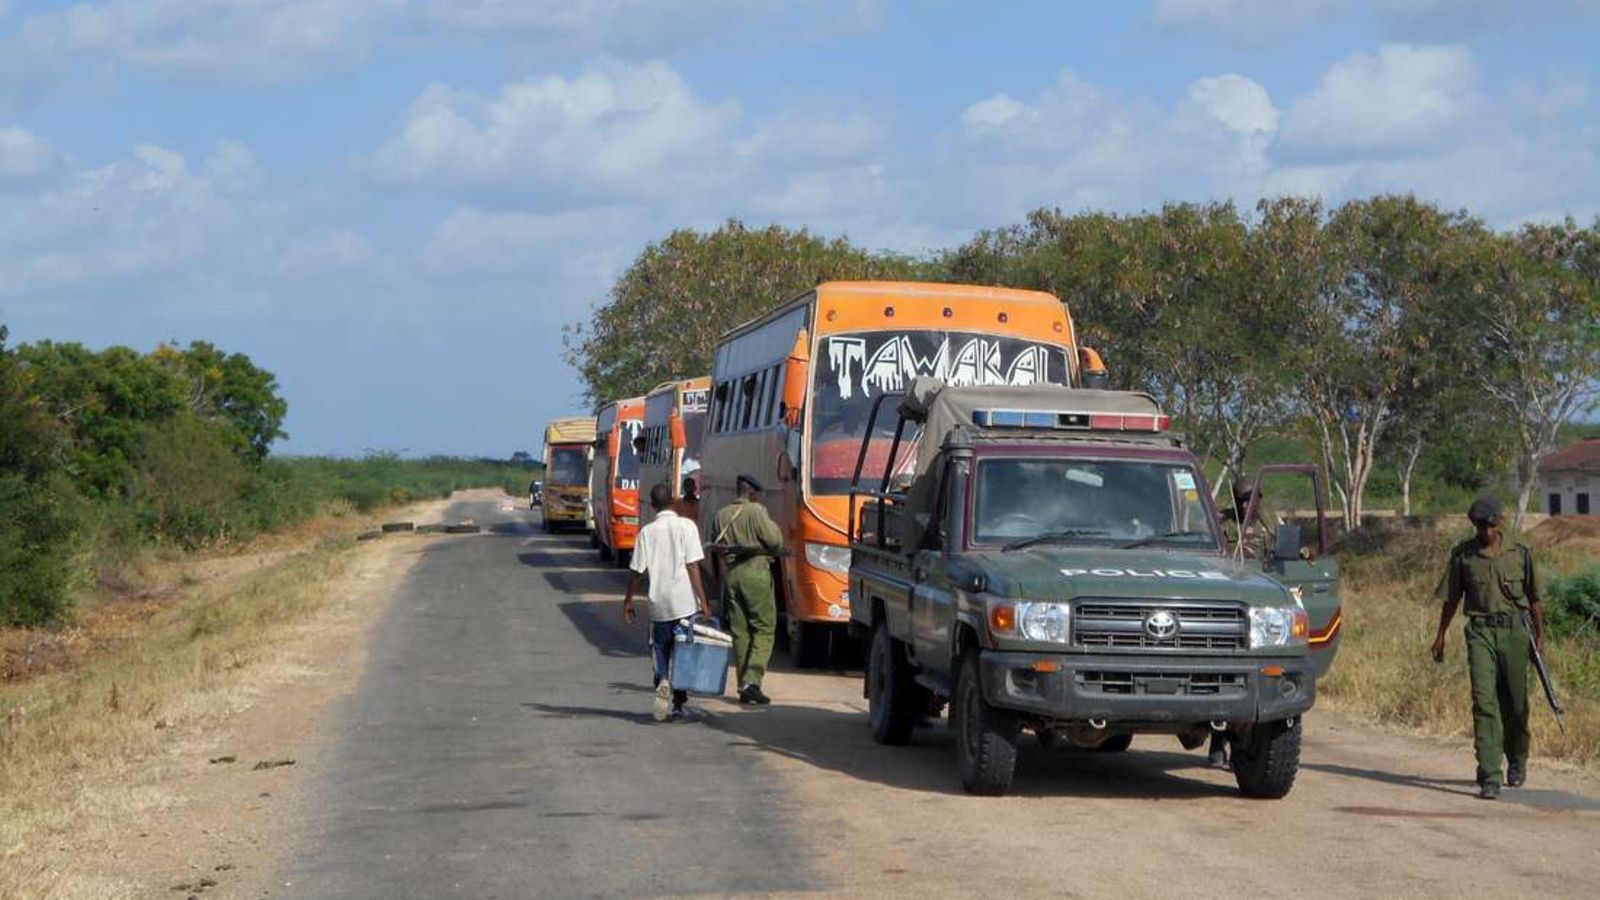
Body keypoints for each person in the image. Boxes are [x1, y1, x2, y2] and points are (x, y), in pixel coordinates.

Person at [1429, 494, 1547, 800]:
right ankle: (1490, 774)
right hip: (1480, 632)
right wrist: (1441, 634)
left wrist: (1540, 636)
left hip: (1516, 634)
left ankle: (1517, 760)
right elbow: (1452, 598)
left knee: (1517, 704)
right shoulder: (1463, 556)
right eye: (1480, 527)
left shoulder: (1520, 554)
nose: (1486, 533)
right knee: (1484, 702)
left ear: (1501, 522)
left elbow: (1535, 600)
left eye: (1490, 526)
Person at [623, 483, 712, 722]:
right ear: (674, 502)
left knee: (660, 651)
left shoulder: (646, 533)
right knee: (682, 655)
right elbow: (693, 566)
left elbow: (636, 572)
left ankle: (662, 680)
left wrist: (628, 601)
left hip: (659, 605)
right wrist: (703, 601)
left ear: (652, 506)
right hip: (684, 604)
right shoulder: (687, 527)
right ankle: (679, 705)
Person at [714, 474, 785, 704]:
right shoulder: (756, 511)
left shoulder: (721, 514)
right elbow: (775, 542)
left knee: (740, 632)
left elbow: (716, 550)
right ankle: (752, 682)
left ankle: (743, 684)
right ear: (752, 493)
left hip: (731, 575)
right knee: (764, 629)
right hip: (755, 573)